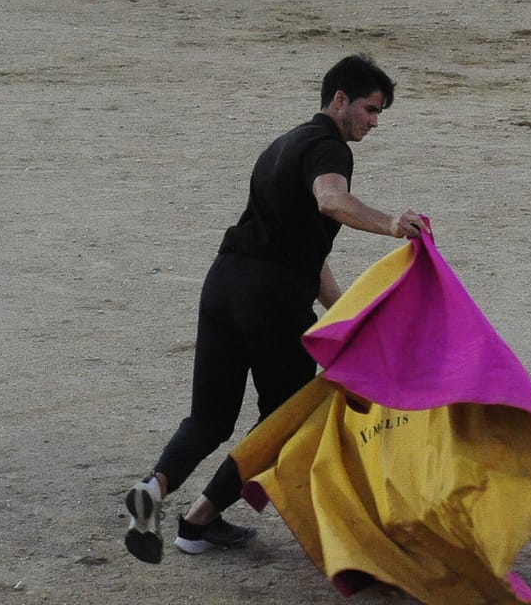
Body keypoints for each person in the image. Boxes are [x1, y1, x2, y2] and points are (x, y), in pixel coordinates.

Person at [121, 57, 426, 564]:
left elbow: (307, 250)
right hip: (272, 299)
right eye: (371, 110)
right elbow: (331, 201)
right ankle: (199, 520)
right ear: (339, 100)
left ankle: (154, 489)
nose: (375, 122)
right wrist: (391, 224)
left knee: (209, 418)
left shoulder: (281, 146)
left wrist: (344, 313)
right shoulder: (330, 148)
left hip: (224, 283)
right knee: (282, 423)